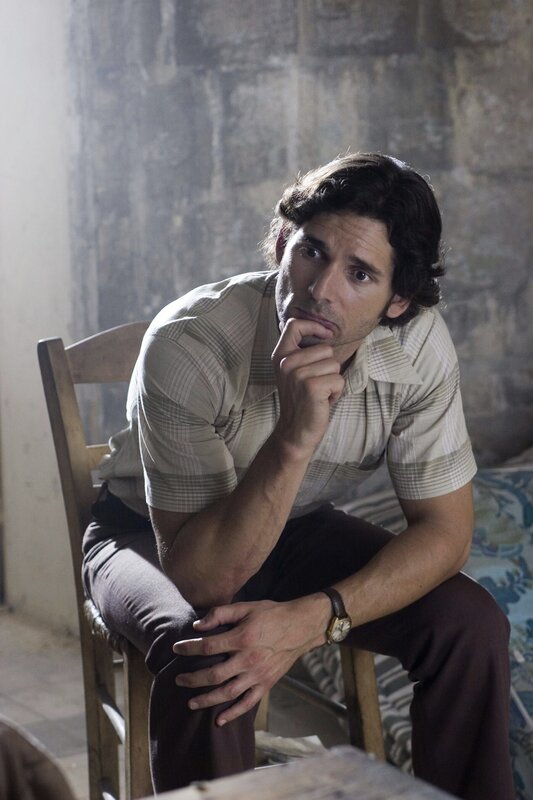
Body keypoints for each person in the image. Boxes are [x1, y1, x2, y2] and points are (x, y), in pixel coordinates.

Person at [83, 153, 514, 799]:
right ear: (284, 243)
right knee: (209, 651)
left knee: (468, 622)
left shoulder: (417, 346)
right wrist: (293, 436)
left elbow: (445, 533)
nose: (320, 289)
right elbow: (202, 577)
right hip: (147, 534)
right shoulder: (190, 341)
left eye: (360, 273)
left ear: (397, 301)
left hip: (296, 526)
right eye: (312, 251)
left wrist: (317, 617)